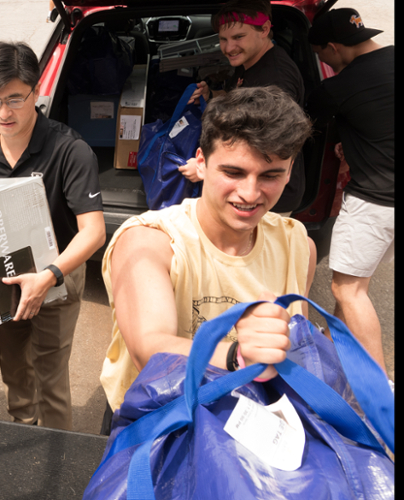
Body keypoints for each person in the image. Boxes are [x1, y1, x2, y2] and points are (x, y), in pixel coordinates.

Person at [99, 86, 316, 433]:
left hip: (251, 429)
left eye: (270, 175)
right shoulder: (150, 241)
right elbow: (151, 352)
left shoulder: (297, 245)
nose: (249, 193)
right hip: (160, 428)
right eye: (233, 172)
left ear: (289, 172)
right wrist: (239, 357)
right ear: (200, 162)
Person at [0, 42, 106, 430]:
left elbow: (93, 232)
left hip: (57, 275)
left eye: (15, 98)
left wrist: (48, 276)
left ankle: (56, 458)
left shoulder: (71, 150)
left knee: (51, 378)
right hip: (7, 274)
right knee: (13, 367)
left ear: (37, 91)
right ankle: (22, 432)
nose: (3, 112)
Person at [306, 9, 394, 372]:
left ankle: (375, 390)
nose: (322, 62)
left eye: (320, 55)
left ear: (332, 47)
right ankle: (335, 346)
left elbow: (302, 118)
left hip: (376, 202)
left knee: (347, 290)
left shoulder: (340, 86)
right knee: (355, 278)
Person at [181, 0, 306, 216]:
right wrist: (211, 96)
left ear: (265, 29)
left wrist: (206, 168)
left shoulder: (275, 79)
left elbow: (267, 147)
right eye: (223, 39)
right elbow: (239, 103)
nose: (228, 48)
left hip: (264, 199)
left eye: (239, 37)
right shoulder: (249, 63)